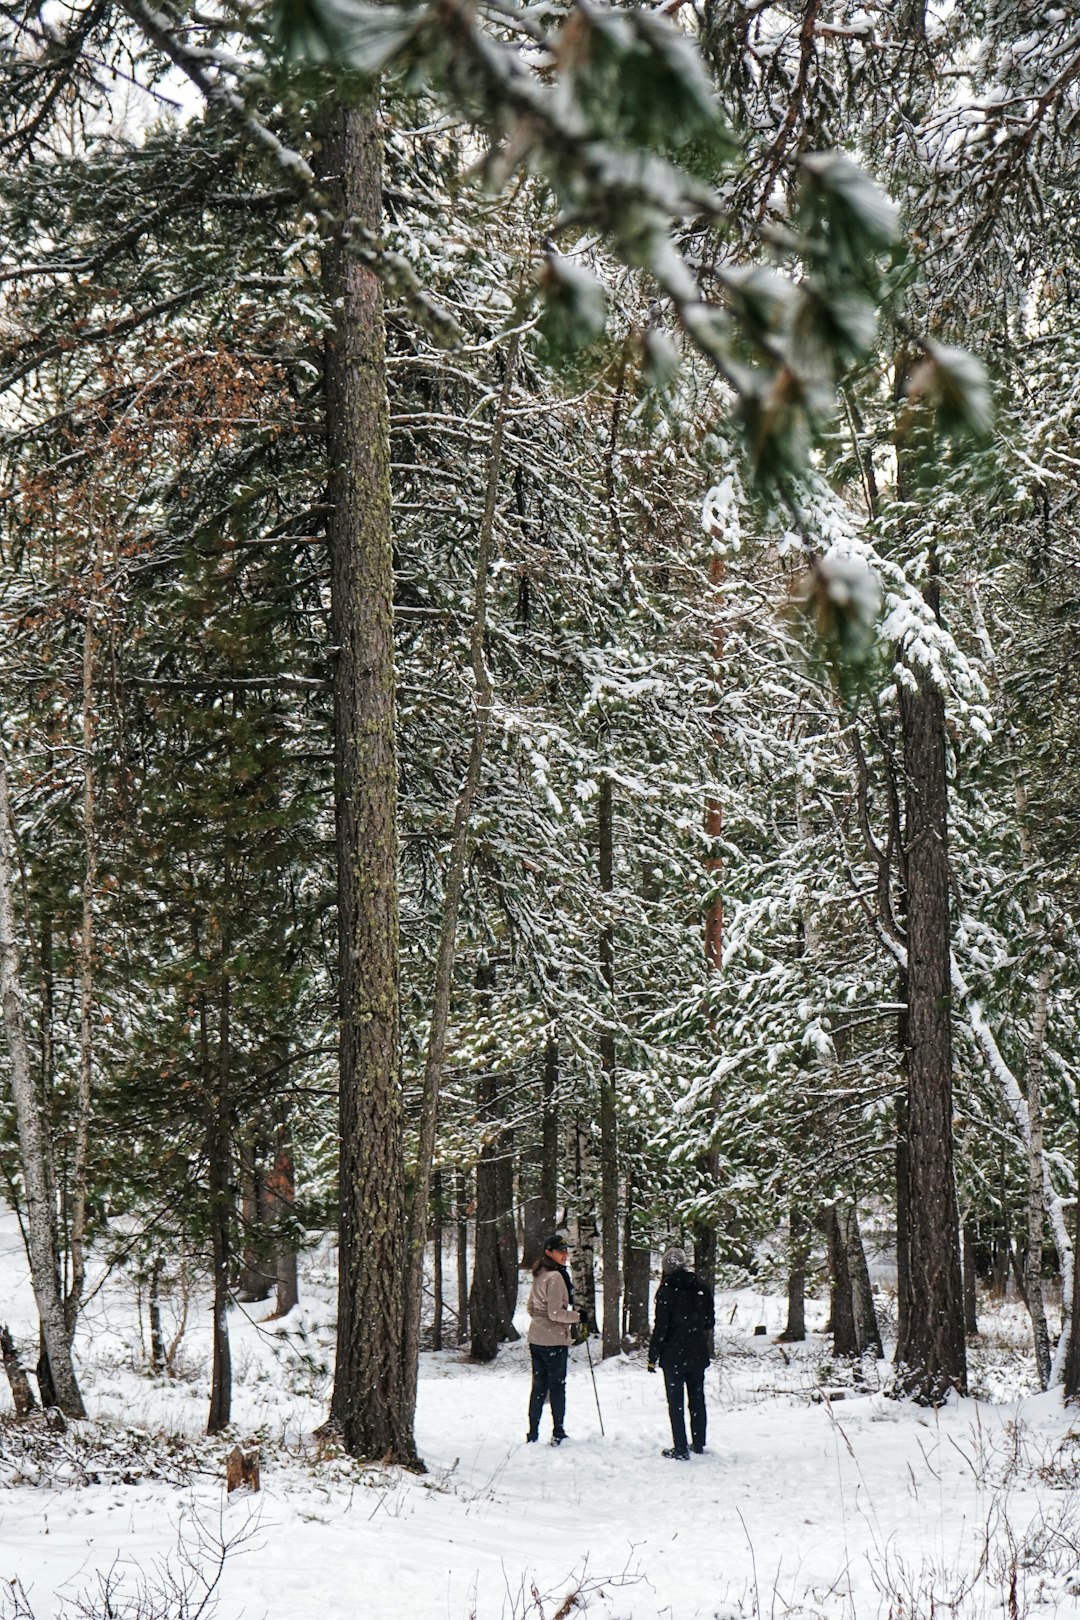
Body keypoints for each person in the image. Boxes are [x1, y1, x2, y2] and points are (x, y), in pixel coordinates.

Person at [647, 1246, 714, 1460]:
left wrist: (653, 1355)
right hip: (697, 1353)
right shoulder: (701, 1288)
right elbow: (709, 1321)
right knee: (697, 1398)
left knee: (675, 1403)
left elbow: (661, 1327)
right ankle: (699, 1442)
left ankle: (680, 1447)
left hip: (673, 1356)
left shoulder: (666, 1291)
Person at [525, 1233, 584, 1445]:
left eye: (566, 1250)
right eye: (561, 1251)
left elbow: (531, 1307)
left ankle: (532, 1433)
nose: (565, 1254)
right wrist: (578, 1317)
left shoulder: (539, 1273)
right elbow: (555, 1313)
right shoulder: (556, 1277)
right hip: (554, 1341)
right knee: (557, 1386)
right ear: (549, 1252)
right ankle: (558, 1431)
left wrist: (540, 1323)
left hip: (536, 1339)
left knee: (539, 1386)